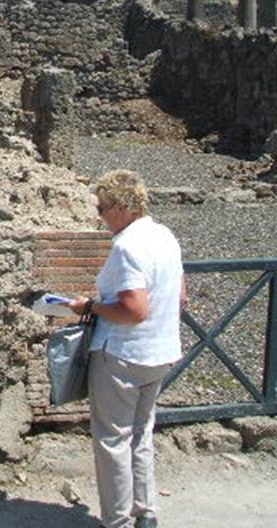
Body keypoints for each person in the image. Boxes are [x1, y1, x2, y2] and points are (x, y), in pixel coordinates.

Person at [67, 170, 185, 528]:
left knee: (113, 440)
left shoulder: (127, 246)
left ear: (122, 207)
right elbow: (181, 295)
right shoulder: (165, 235)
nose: (100, 216)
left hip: (123, 355)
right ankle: (145, 514)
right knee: (141, 432)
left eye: (102, 208)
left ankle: (116, 520)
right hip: (161, 351)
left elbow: (134, 310)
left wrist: (90, 306)